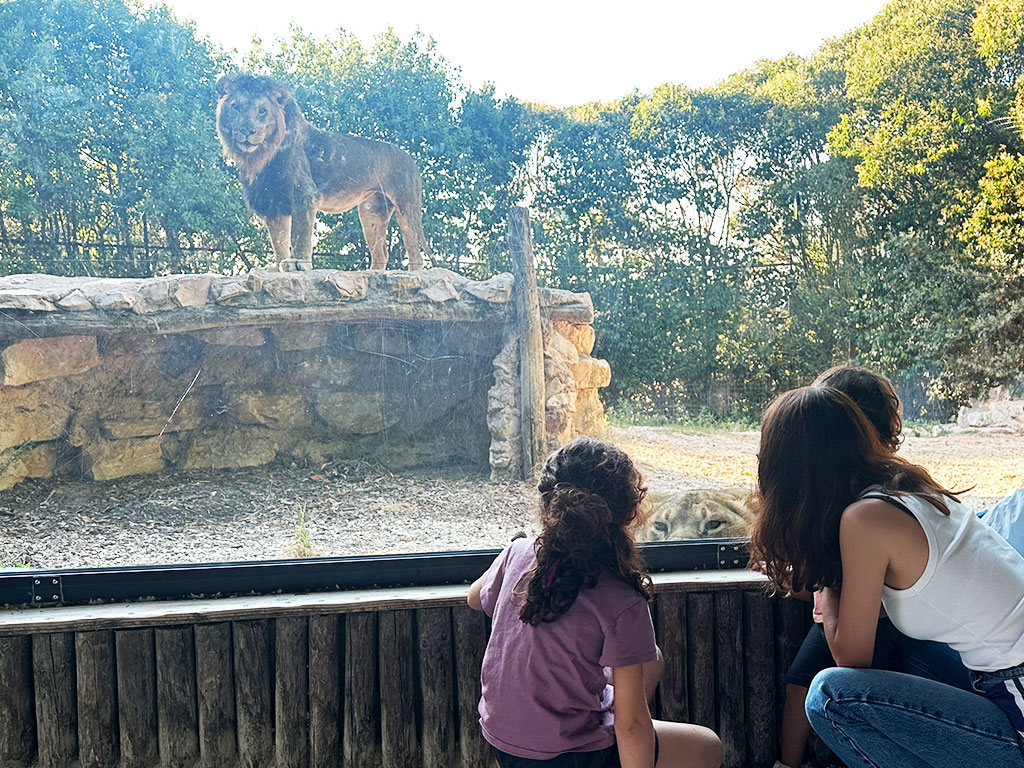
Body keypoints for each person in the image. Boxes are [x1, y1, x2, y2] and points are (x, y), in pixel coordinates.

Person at [750, 385, 1024, 768]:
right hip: (997, 674)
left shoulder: (863, 520)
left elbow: (850, 659)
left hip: (1016, 695)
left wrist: (823, 580)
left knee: (830, 695)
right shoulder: (907, 487)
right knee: (901, 649)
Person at [467, 436, 723, 768]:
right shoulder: (621, 598)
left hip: (503, 740)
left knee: (652, 659)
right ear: (629, 513)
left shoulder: (517, 553)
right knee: (708, 747)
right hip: (568, 754)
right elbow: (631, 724)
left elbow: (474, 598)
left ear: (547, 505)